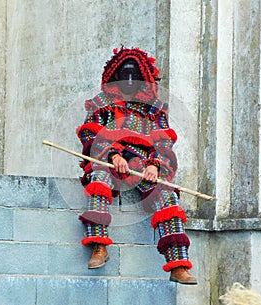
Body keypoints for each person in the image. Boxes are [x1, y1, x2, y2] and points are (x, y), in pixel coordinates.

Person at [76, 46, 197, 285]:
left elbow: (164, 143)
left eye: (135, 76)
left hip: (144, 165)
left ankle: (178, 265)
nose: (129, 81)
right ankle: (99, 246)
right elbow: (90, 135)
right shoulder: (102, 103)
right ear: (115, 76)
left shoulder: (155, 109)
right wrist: (112, 157)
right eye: (125, 75)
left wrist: (155, 165)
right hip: (110, 162)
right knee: (98, 182)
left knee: (168, 198)